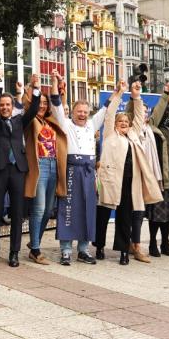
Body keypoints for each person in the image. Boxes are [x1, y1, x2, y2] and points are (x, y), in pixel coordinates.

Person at [97, 81, 163, 265]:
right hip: (111, 181)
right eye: (121, 121)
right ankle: (99, 246)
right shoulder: (110, 133)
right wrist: (120, 93)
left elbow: (139, 116)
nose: (124, 124)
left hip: (129, 182)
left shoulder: (134, 134)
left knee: (125, 218)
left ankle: (123, 252)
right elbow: (110, 113)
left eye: (126, 122)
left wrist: (136, 96)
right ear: (115, 124)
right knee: (103, 215)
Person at [0, 67, 38, 267]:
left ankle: (14, 252)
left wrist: (35, 88)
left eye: (8, 104)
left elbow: (33, 109)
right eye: (2, 105)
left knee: (17, 213)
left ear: (13, 106)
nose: (5, 107)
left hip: (17, 170)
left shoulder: (18, 121)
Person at [50, 72, 105, 265]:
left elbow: (106, 108)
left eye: (85, 111)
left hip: (89, 172)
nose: (82, 114)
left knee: (88, 210)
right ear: (72, 112)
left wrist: (119, 91)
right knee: (67, 210)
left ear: (88, 113)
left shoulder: (92, 124)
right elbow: (56, 103)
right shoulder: (65, 124)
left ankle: (83, 250)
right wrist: (55, 82)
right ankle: (66, 251)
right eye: (79, 111)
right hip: (72, 171)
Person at [21, 75, 68, 265]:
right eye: (39, 102)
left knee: (48, 211)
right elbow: (27, 105)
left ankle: (35, 241)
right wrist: (33, 87)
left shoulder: (51, 121)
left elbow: (60, 106)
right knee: (39, 209)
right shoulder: (31, 120)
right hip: (39, 166)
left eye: (44, 102)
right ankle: (35, 250)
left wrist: (59, 87)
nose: (41, 105)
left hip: (54, 166)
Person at [142, 82, 169, 258]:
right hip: (159, 178)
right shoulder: (152, 129)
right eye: (164, 113)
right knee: (156, 215)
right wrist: (167, 93)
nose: (166, 115)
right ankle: (152, 243)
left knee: (167, 215)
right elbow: (160, 111)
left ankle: (165, 243)